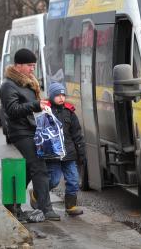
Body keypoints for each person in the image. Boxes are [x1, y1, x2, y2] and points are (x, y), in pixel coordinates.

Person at [0, 48, 60, 221]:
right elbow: (12, 110)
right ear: (18, 66)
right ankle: (46, 209)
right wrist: (35, 105)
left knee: (28, 168)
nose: (33, 68)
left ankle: (12, 204)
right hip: (20, 132)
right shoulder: (8, 86)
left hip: (34, 129)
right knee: (39, 167)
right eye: (29, 65)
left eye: (34, 65)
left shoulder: (29, 82)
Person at [45, 82, 85, 216]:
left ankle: (71, 206)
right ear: (51, 96)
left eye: (63, 95)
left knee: (73, 180)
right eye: (57, 95)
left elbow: (77, 134)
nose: (61, 98)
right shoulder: (45, 111)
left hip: (69, 154)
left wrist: (81, 153)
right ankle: (37, 193)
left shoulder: (70, 112)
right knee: (54, 180)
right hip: (53, 154)